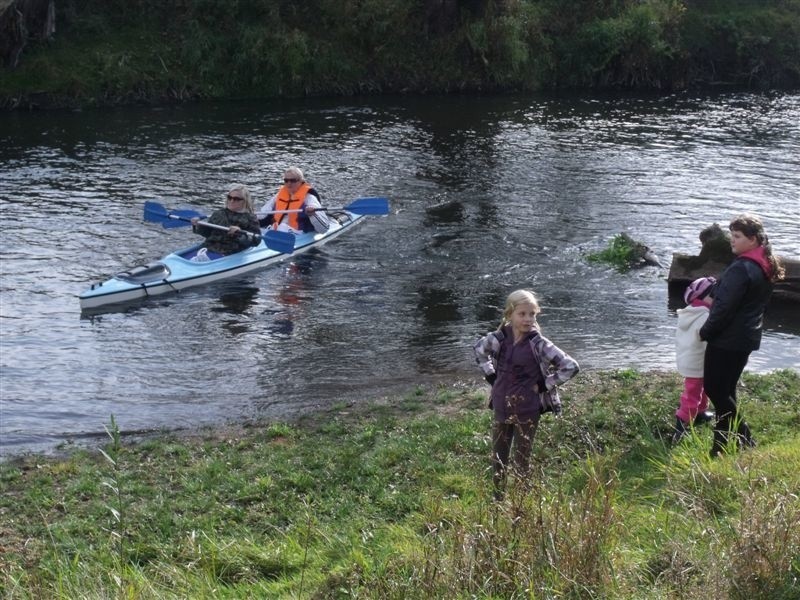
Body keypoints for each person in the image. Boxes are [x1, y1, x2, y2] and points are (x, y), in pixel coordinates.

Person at [473, 289, 580, 498]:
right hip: (501, 405)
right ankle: (497, 499)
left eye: (532, 314)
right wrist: (491, 377)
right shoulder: (498, 339)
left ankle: (520, 503)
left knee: (522, 458)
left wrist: (543, 385)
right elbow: (478, 350)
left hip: (528, 408)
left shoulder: (538, 344)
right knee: (498, 456)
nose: (528, 319)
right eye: (522, 314)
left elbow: (571, 366)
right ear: (509, 315)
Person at [699, 214, 784, 456]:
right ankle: (721, 446)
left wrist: (705, 332)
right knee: (726, 391)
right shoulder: (764, 264)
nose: (731, 241)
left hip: (727, 339)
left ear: (753, 239)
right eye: (731, 235)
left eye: (737, 236)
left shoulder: (742, 268)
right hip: (746, 337)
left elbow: (723, 308)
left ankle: (744, 437)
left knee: (715, 389)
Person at [672, 276, 716, 443]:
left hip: (690, 359)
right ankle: (682, 424)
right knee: (692, 394)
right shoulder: (704, 316)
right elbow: (707, 338)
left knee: (702, 389)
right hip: (698, 361)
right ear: (702, 297)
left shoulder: (689, 312)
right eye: (713, 296)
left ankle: (701, 412)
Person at [190, 184, 261, 257]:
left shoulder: (250, 218)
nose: (232, 201)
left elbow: (256, 241)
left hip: (230, 252)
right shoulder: (218, 213)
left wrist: (240, 234)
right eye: (229, 197)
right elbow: (207, 233)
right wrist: (198, 225)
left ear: (244, 201)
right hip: (209, 247)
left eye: (236, 199)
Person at [257, 167, 331, 234]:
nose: (289, 184)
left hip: (298, 233)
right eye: (286, 180)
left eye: (293, 180)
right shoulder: (278, 196)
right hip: (276, 230)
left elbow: (324, 229)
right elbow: (262, 214)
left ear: (301, 181)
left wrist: (312, 215)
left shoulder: (309, 198)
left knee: (282, 227)